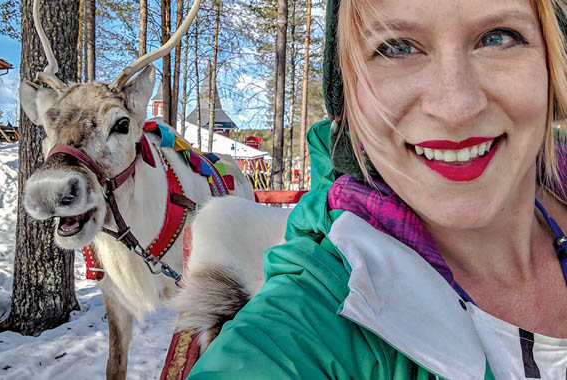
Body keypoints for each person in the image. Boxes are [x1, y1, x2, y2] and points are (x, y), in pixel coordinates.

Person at [186, 0, 567, 378]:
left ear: (553, 63)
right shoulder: (310, 321)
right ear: (348, 97)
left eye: (498, 37)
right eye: (396, 47)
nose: (457, 107)